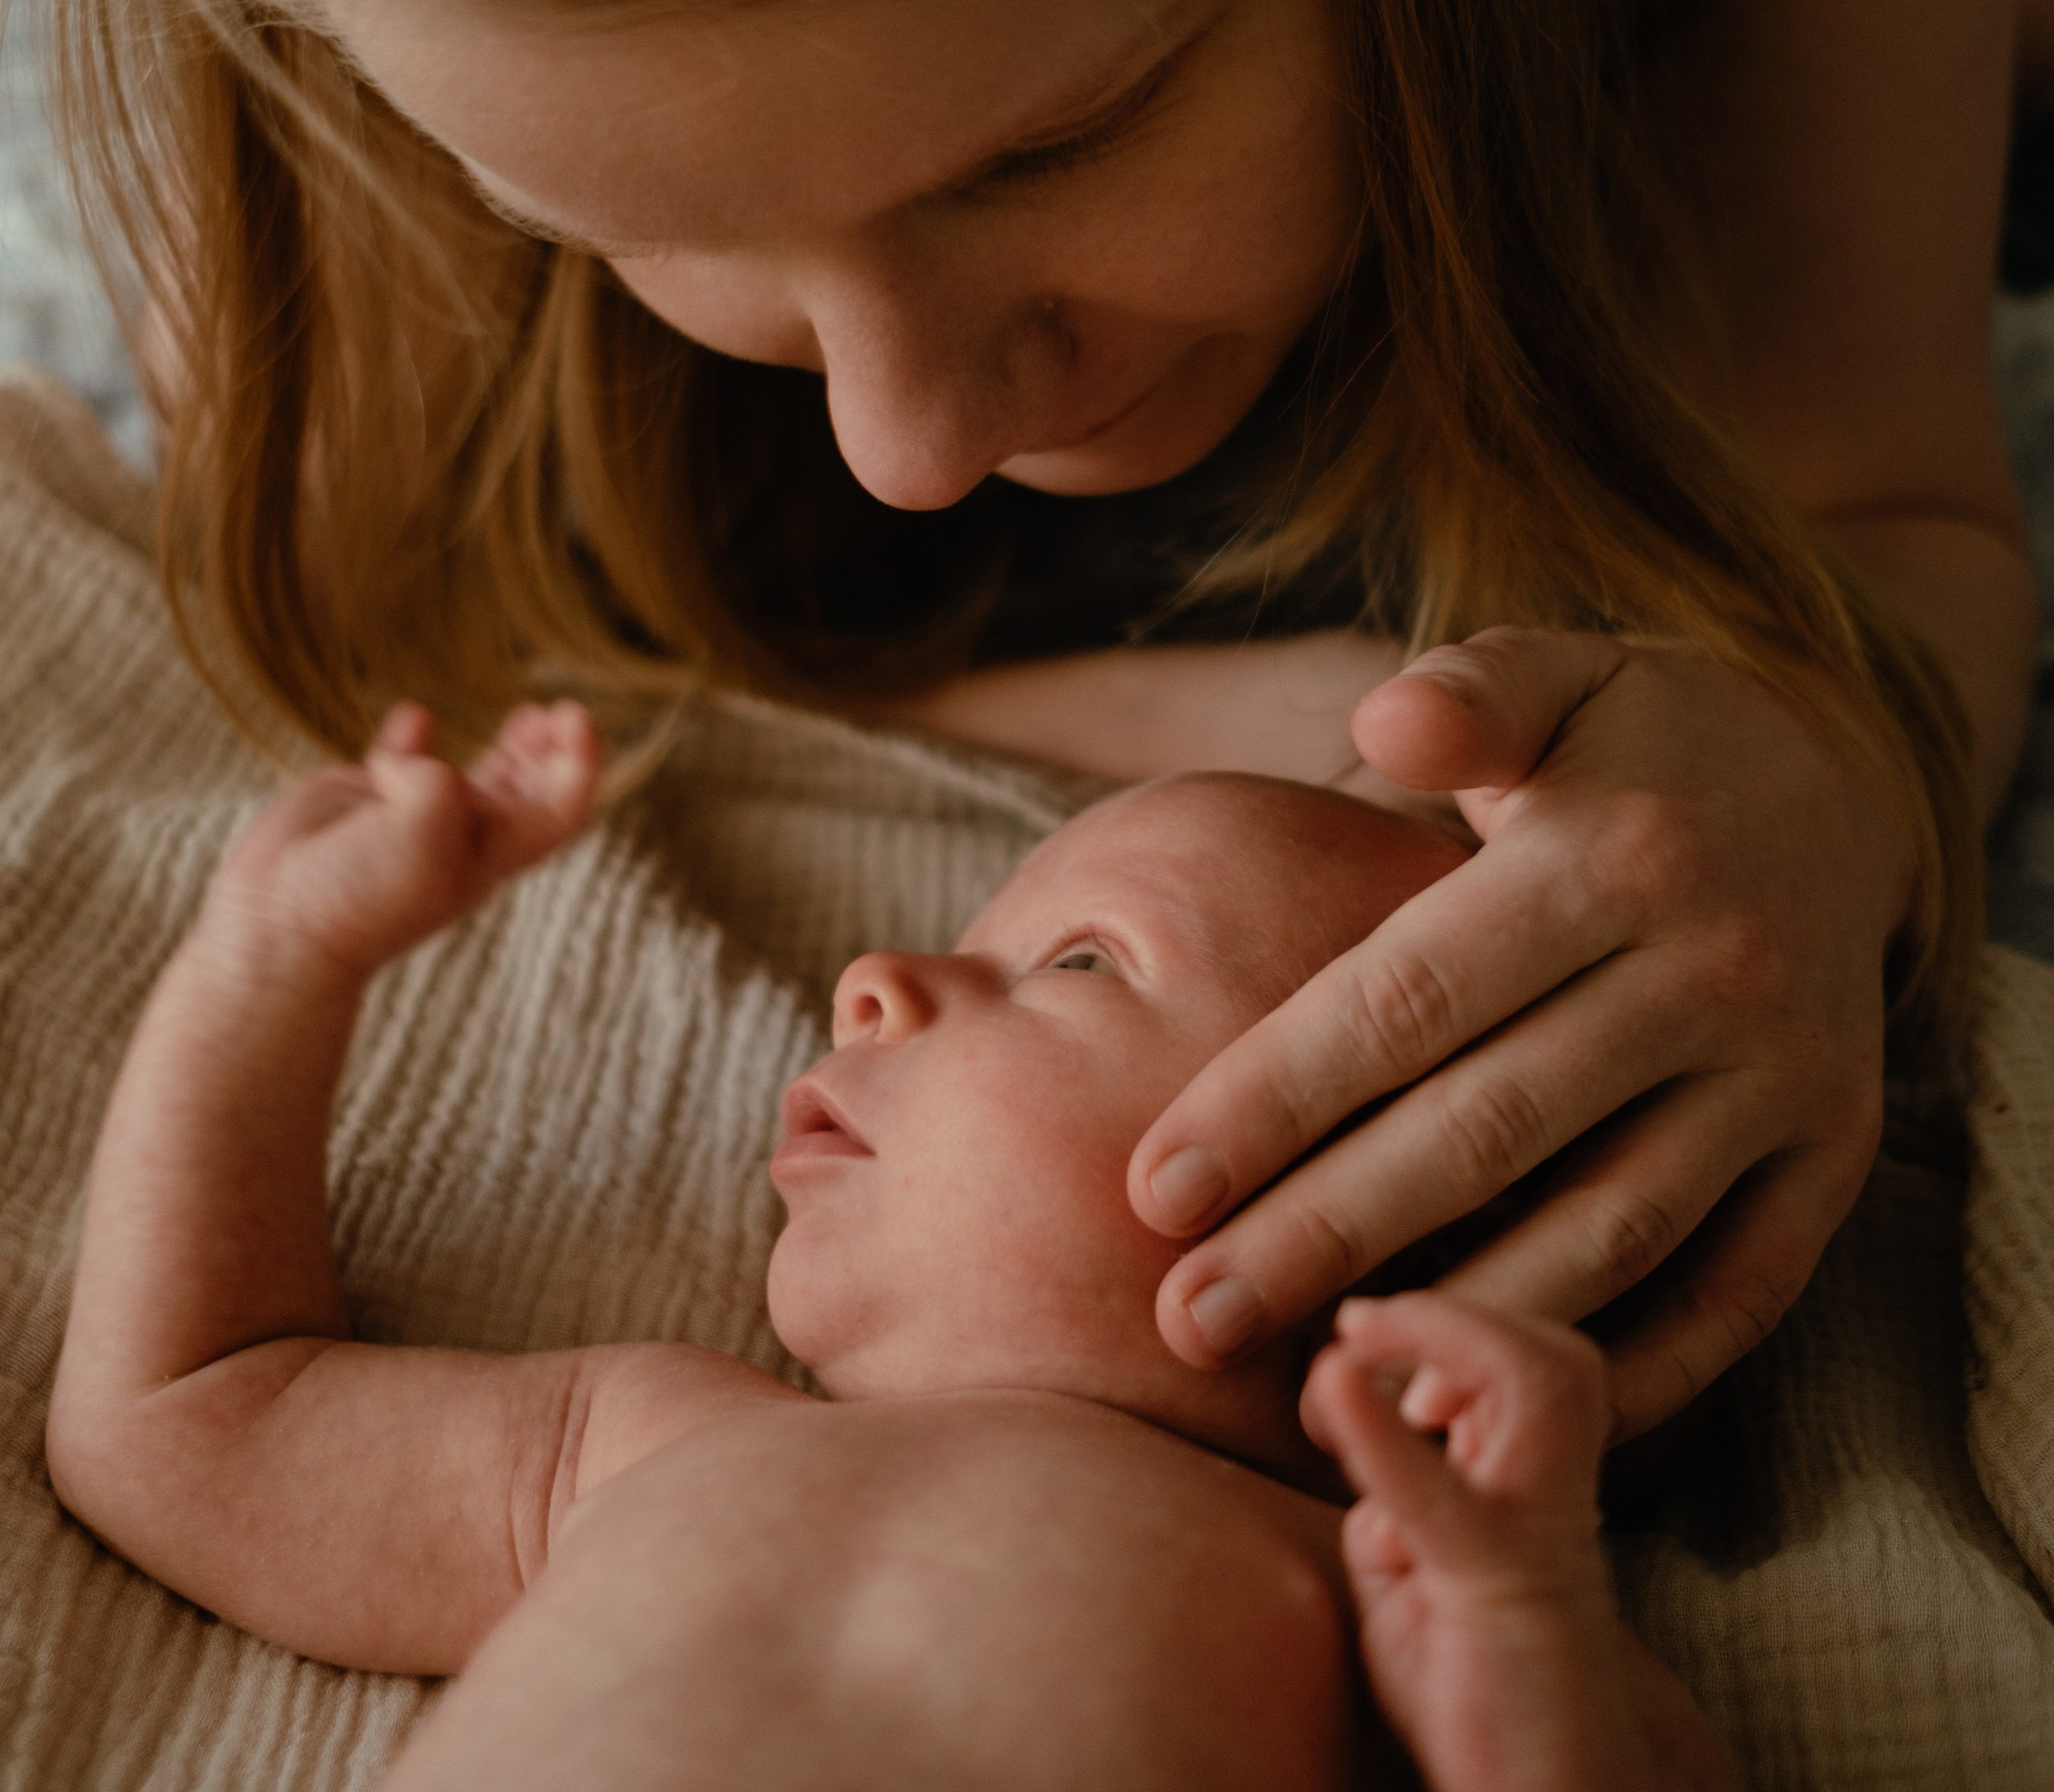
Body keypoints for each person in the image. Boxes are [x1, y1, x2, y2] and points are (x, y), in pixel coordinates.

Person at [30, 0, 2037, 1446]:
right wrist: (1175, 727)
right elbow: (416, 631)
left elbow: (1883, 512)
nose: (904, 441)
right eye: (618, 224)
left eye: (1056, 135)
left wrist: (1827, 767)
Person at [47, 703, 1736, 1791]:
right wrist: (268, 964)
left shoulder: (1397, 1591)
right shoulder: (644, 1437)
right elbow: (188, 1419)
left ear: (1419, 1198)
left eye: (1077, 962)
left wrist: (1519, 1624)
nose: (874, 975)